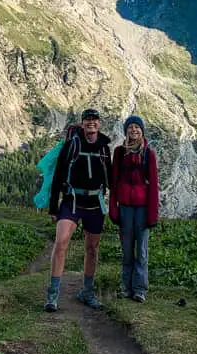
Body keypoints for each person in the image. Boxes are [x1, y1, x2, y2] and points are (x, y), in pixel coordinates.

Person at [44, 108, 113, 312]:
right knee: (61, 241)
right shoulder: (72, 145)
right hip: (71, 201)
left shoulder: (104, 147)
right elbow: (58, 175)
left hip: (94, 204)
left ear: (99, 123)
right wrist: (53, 206)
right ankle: (53, 293)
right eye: (87, 120)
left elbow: (109, 176)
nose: (91, 123)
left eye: (94, 120)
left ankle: (87, 291)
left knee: (92, 248)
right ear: (82, 124)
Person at [109, 115, 159, 303]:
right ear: (126, 131)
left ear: (142, 131)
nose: (134, 130)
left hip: (143, 209)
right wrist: (113, 208)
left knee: (142, 250)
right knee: (127, 249)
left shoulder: (149, 153)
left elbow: (154, 185)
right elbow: (114, 183)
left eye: (137, 127)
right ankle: (125, 286)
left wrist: (153, 214)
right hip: (125, 208)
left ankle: (139, 289)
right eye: (130, 127)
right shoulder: (120, 153)